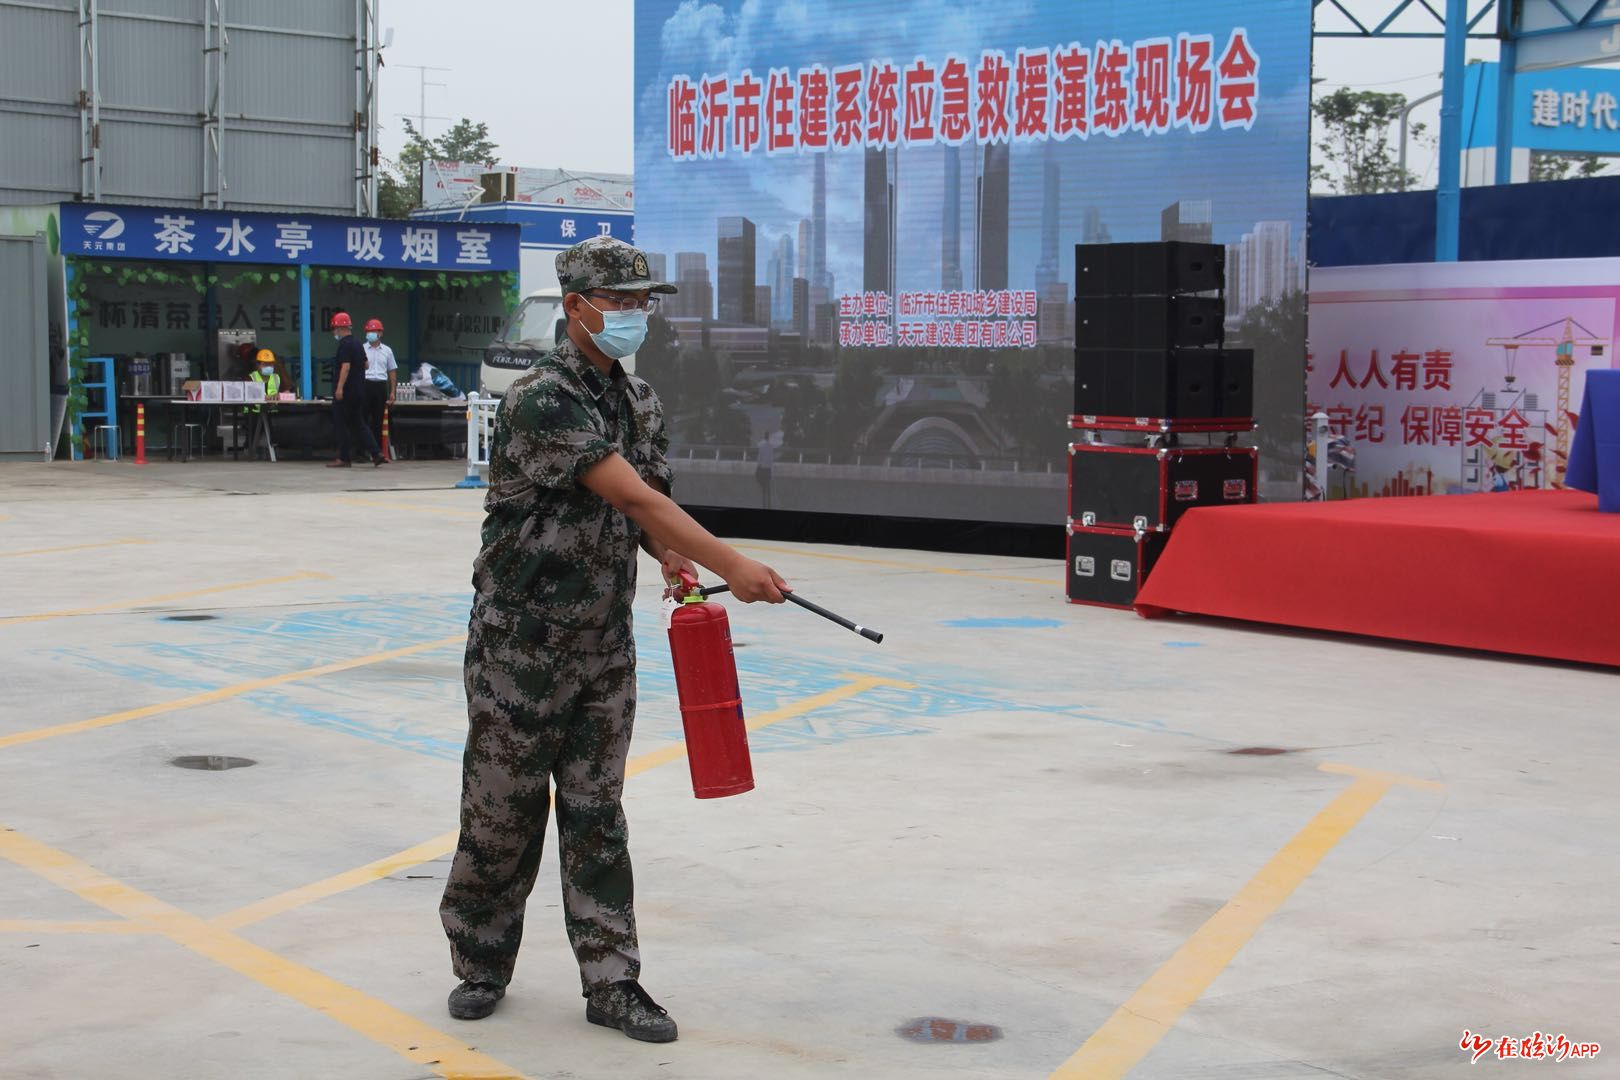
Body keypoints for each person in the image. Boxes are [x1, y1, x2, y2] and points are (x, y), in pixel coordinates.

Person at [439, 236, 790, 1043]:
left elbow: (648, 513)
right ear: (576, 308)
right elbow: (631, 495)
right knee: (502, 812)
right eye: (621, 301)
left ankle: (612, 980)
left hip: (603, 644)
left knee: (598, 814)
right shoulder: (541, 399)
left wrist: (675, 560)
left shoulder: (640, 402)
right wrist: (731, 563)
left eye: (643, 303)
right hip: (519, 646)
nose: (635, 315)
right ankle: (481, 960)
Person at [327, 312, 384, 468]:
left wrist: (339, 388)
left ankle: (344, 458)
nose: (334, 332)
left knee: (341, 424)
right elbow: (366, 365)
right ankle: (376, 453)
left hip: (346, 392)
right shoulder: (358, 344)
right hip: (359, 391)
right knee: (359, 423)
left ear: (340, 328)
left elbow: (345, 367)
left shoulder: (345, 345)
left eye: (334, 329)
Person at [361, 318, 397, 449]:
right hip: (365, 385)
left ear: (380, 333)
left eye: (373, 331)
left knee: (378, 420)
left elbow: (392, 370)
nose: (370, 333)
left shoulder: (387, 351)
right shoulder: (362, 348)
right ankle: (361, 452)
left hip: (381, 386)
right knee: (362, 419)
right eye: (368, 331)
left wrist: (392, 391)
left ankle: (376, 451)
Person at [755, 430, 776, 509]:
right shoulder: (771, 447)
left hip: (763, 468)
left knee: (763, 484)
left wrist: (758, 466)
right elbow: (772, 458)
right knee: (768, 484)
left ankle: (764, 503)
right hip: (769, 468)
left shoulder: (761, 446)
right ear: (768, 437)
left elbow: (759, 458)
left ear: (764, 436)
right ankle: (769, 503)